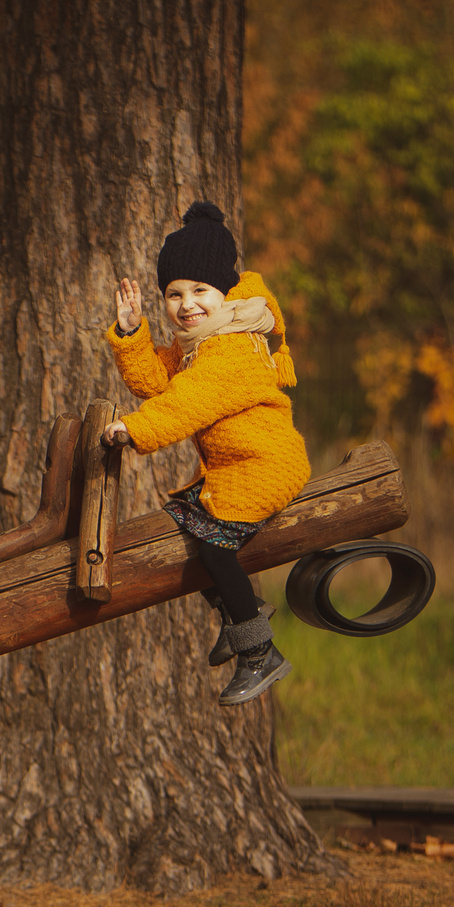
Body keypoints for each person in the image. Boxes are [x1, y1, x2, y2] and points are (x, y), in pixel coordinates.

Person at [100, 201, 312, 705]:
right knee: (186, 521)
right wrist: (132, 334)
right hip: (237, 466)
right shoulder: (199, 342)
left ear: (225, 290)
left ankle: (259, 651)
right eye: (173, 294)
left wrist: (133, 430)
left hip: (264, 465)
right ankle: (242, 611)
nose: (186, 304)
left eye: (199, 290)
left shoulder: (232, 347)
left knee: (214, 547)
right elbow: (157, 381)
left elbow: (184, 404)